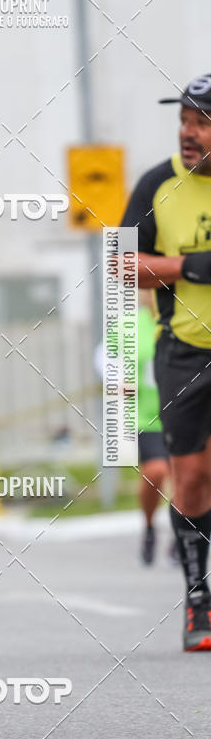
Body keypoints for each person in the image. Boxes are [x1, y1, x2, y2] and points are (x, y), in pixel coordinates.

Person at [122, 73, 211, 650]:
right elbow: (120, 263)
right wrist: (189, 267)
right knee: (193, 477)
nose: (188, 132)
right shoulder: (158, 184)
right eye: (183, 120)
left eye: (201, 122)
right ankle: (199, 599)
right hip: (184, 352)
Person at [136, 291, 171, 564]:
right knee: (156, 472)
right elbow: (105, 359)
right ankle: (149, 527)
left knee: (190, 478)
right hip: (147, 418)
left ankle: (183, 537)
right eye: (146, 289)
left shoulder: (181, 321)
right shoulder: (129, 326)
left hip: (184, 413)